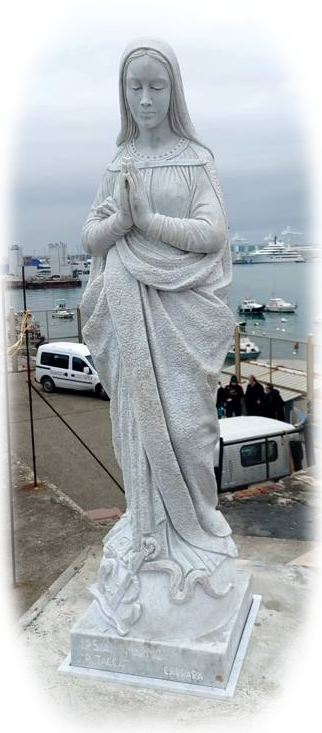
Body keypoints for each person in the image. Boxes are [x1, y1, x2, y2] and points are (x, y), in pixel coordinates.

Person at [80, 38, 237, 635]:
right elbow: (93, 236)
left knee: (189, 429)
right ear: (123, 93)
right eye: (135, 86)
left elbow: (212, 235)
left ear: (175, 91)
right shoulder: (118, 163)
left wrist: (146, 222)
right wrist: (119, 221)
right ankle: (147, 526)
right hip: (128, 313)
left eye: (157, 86)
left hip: (183, 320)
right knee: (139, 429)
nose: (145, 98)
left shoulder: (196, 159)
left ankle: (193, 525)